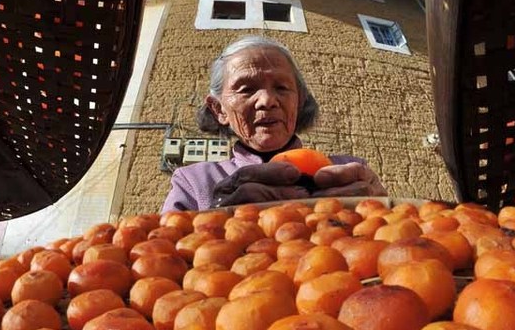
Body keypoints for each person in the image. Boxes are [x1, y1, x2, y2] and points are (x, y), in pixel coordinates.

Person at [161, 36, 387, 212]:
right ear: (219, 109)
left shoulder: (348, 172)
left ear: (299, 102)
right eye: (246, 89)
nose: (267, 101)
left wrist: (382, 207)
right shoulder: (195, 182)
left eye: (282, 87)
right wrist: (218, 216)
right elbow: (162, 255)